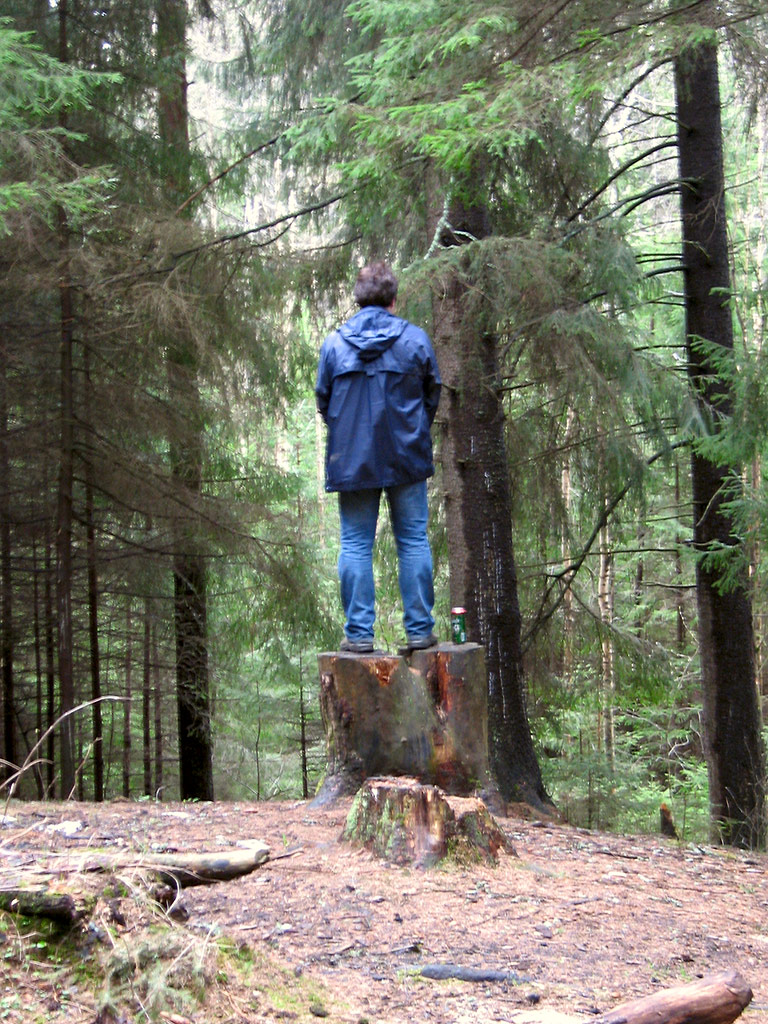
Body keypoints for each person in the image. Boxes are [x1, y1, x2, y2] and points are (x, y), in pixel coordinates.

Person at [316, 261, 442, 653]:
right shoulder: (415, 340)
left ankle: (358, 636)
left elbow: (324, 401)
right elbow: (432, 394)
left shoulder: (334, 345)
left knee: (355, 543)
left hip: (353, 460)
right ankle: (419, 631)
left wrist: (351, 435)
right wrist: (411, 430)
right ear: (393, 299)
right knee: (413, 539)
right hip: (406, 455)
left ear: (358, 299)